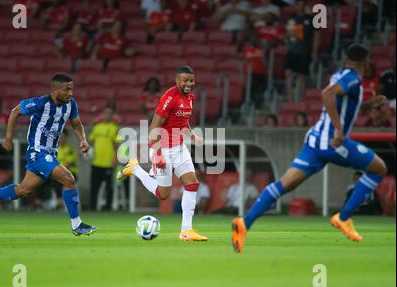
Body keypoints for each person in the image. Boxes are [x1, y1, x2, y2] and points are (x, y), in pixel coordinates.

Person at [232, 44, 389, 253]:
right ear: (365, 60)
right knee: (378, 168)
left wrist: (366, 107)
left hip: (314, 141)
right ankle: (343, 217)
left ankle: (244, 223)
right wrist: (339, 130)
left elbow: (340, 101)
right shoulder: (353, 77)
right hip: (331, 143)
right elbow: (328, 94)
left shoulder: (341, 74)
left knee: (284, 184)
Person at [0, 73, 97, 236]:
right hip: (37, 152)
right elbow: (15, 112)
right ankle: (77, 224)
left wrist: (83, 140)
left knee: (23, 190)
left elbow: (77, 124)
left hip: (50, 154)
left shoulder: (71, 104)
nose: (71, 93)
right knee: (69, 179)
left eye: (72, 89)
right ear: (57, 90)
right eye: (67, 90)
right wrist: (8, 138)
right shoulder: (40, 103)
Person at [117, 65, 208, 241]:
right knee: (163, 195)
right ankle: (134, 168)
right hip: (163, 148)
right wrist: (157, 153)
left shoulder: (190, 97)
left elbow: (183, 121)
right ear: (177, 80)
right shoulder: (169, 97)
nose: (189, 84)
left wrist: (192, 135)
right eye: (185, 80)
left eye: (191, 80)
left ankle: (186, 231)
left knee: (192, 183)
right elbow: (154, 127)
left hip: (180, 148)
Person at [284, 0, 320, 102]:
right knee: (288, 74)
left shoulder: (312, 19)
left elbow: (317, 35)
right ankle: (290, 99)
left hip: (305, 51)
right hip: (292, 50)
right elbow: (288, 35)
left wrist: (314, 50)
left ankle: (300, 100)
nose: (300, 7)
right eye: (298, 4)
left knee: (302, 77)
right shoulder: (292, 19)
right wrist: (290, 34)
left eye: (302, 4)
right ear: (296, 6)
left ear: (305, 5)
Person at [89, 106, 120, 211]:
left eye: (110, 113)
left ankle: (108, 207)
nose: (107, 115)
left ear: (113, 115)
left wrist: (115, 158)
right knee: (94, 186)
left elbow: (117, 145)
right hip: (96, 161)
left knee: (109, 187)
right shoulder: (97, 127)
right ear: (102, 114)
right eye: (106, 113)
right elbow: (91, 142)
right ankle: (92, 206)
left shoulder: (115, 128)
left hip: (108, 162)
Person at [51, 129, 78, 209]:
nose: (61, 139)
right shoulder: (54, 150)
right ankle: (42, 203)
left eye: (63, 137)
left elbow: (68, 165)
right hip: (57, 173)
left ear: (66, 138)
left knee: (61, 180)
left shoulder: (70, 150)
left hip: (71, 173)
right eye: (59, 137)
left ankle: (61, 204)